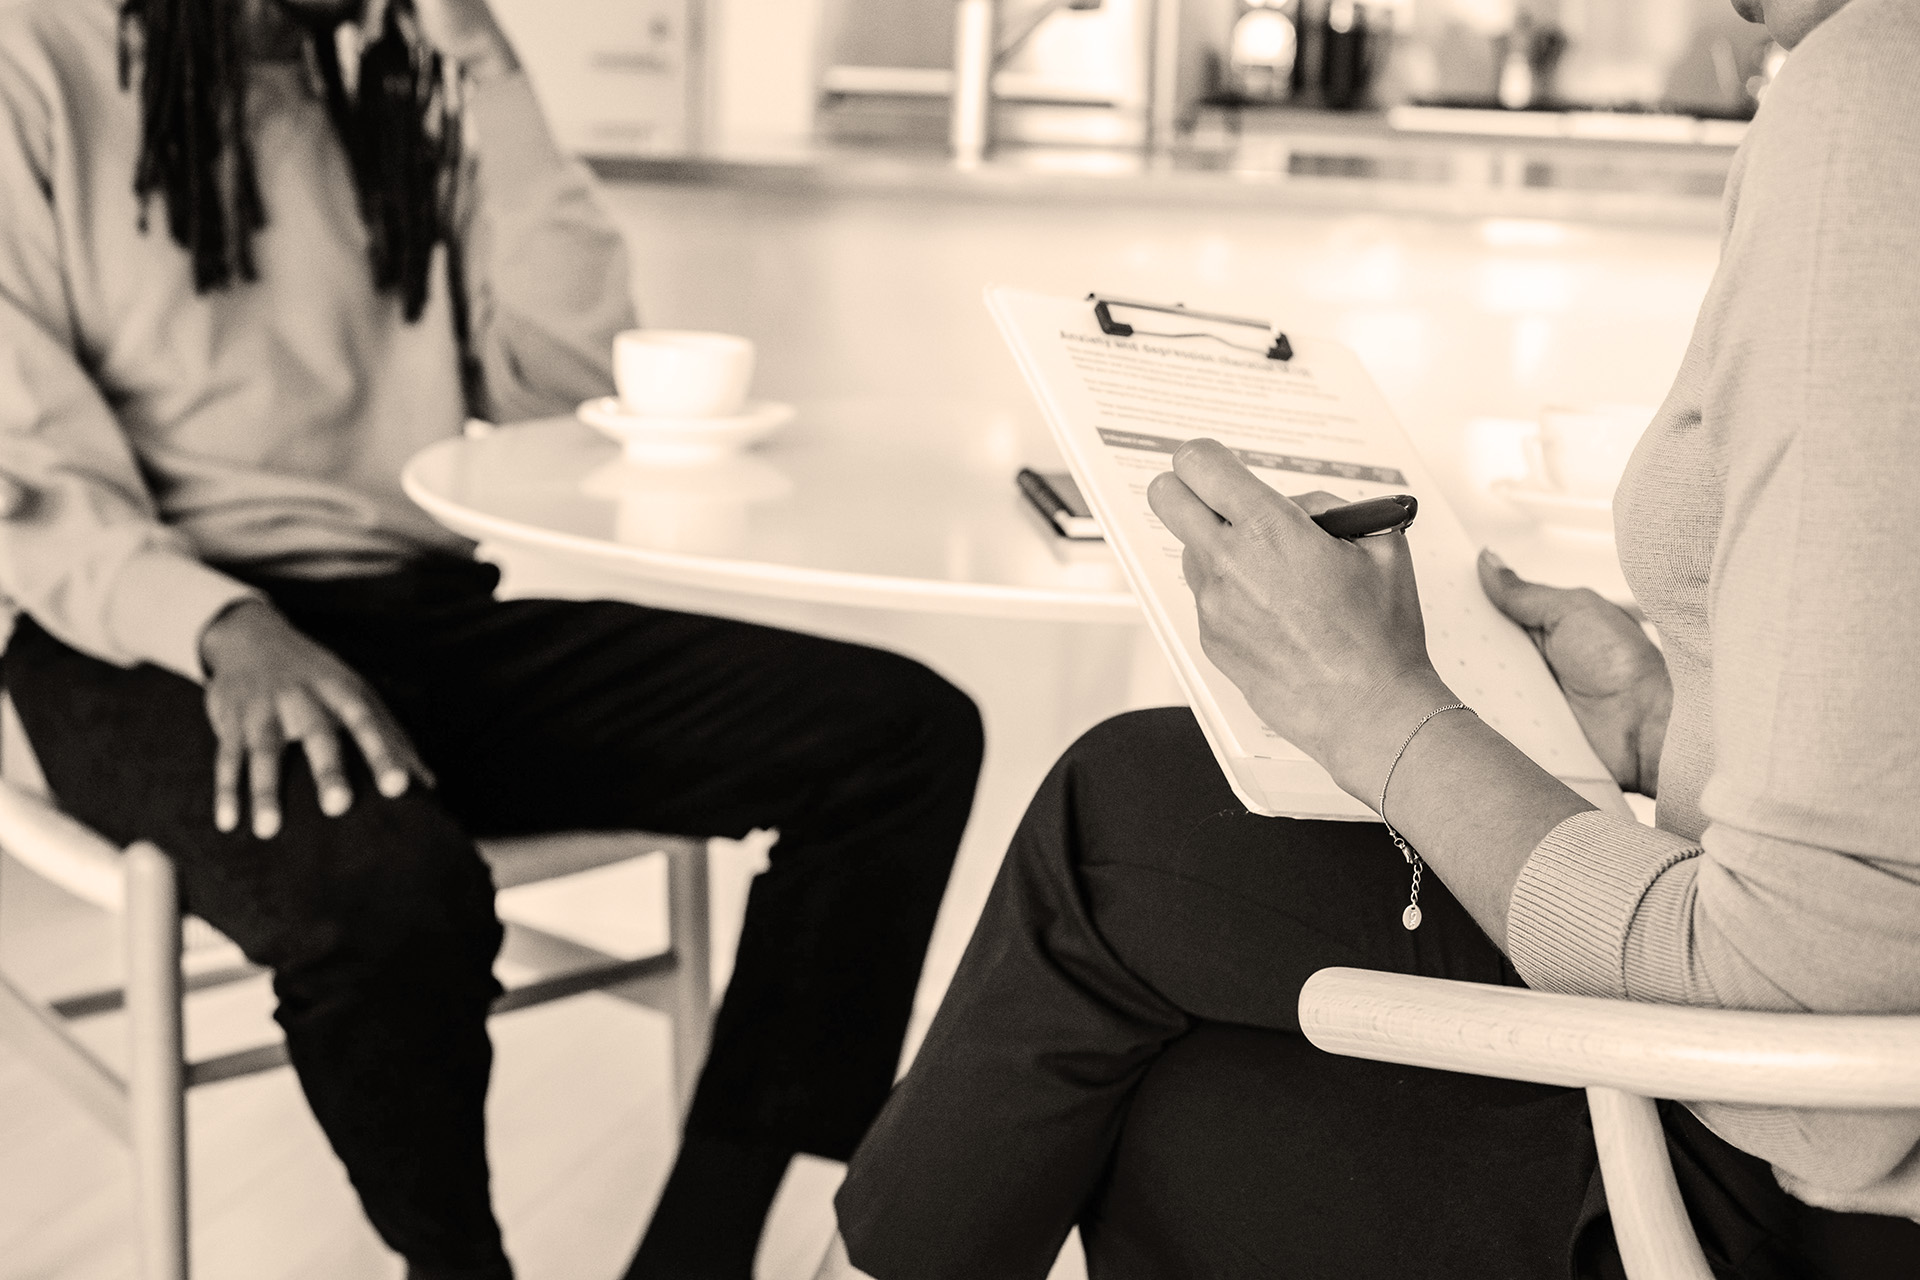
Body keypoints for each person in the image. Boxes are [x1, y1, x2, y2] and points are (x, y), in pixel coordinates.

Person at [820, 0, 1920, 1276]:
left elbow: (1816, 1046)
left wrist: (1379, 713)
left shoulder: (1879, 88)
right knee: (1170, 1058)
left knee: (1126, 821)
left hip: (1809, 1205)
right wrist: (1668, 722)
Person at [0, 2, 983, 1278]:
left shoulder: (402, 87)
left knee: (898, 735)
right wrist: (220, 623)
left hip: (415, 612)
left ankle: (700, 1249)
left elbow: (561, 379)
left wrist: (491, 65)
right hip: (144, 634)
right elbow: (22, 468)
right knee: (387, 893)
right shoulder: (39, 58)